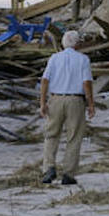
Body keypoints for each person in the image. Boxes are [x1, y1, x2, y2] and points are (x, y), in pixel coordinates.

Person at [39, 30, 95, 185]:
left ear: (64, 43)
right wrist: (91, 104)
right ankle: (68, 174)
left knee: (51, 135)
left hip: (56, 98)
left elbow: (45, 80)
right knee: (74, 137)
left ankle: (49, 168)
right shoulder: (83, 59)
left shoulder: (54, 58)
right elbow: (87, 83)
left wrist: (42, 102)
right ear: (77, 44)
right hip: (75, 100)